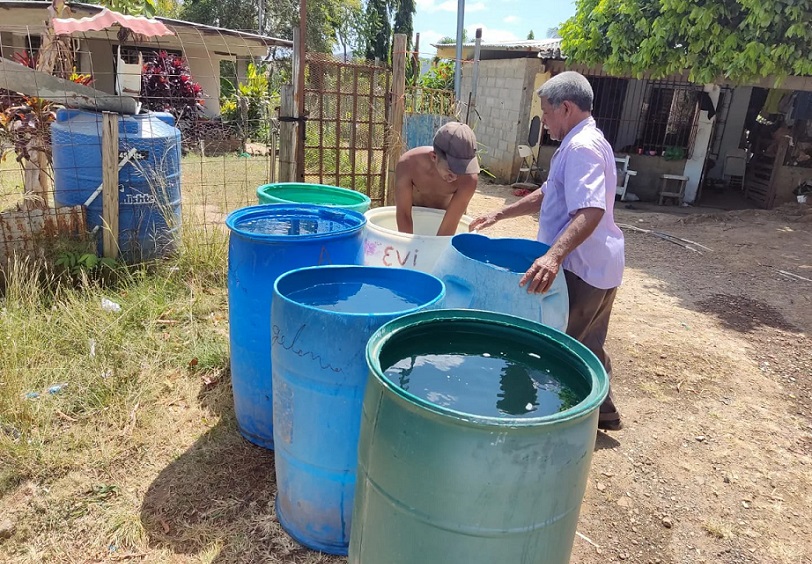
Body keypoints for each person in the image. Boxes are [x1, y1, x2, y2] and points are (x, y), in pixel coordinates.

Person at [469, 71, 624, 431]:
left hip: (582, 268)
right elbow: (548, 192)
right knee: (589, 343)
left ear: (566, 108)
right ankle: (604, 412)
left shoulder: (582, 148)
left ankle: (565, 426)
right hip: (600, 264)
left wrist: (553, 256)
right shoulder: (578, 143)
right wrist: (501, 212)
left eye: (546, 113)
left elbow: (591, 210)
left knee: (565, 349)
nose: (544, 123)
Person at [395, 122, 479, 236]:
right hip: (415, 215)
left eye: (462, 169)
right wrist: (409, 250)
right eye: (451, 169)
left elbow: (449, 226)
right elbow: (403, 214)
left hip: (444, 218)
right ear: (434, 157)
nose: (455, 177)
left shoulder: (469, 180)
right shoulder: (408, 165)